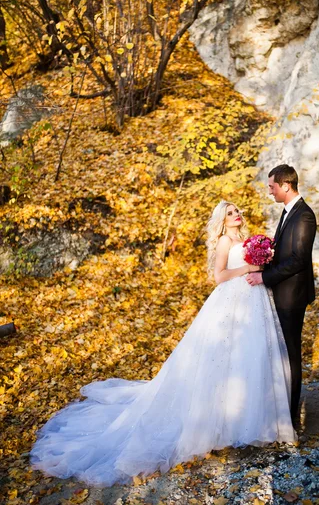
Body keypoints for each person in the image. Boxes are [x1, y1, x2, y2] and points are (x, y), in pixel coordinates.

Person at [30, 201, 296, 487]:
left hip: (254, 300)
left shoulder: (247, 238)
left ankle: (247, 421)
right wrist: (248, 267)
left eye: (237, 211)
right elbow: (219, 277)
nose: (236, 215)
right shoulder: (222, 241)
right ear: (222, 219)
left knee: (250, 358)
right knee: (222, 360)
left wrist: (260, 262)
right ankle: (216, 426)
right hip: (231, 301)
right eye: (230, 213)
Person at [247, 165, 317, 424]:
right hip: (282, 291)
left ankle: (290, 416)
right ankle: (281, 409)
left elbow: (299, 259)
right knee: (283, 352)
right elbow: (286, 253)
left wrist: (263, 277)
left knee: (291, 353)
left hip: (292, 296)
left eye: (272, 186)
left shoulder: (304, 216)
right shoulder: (289, 212)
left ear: (286, 186)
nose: (270, 191)